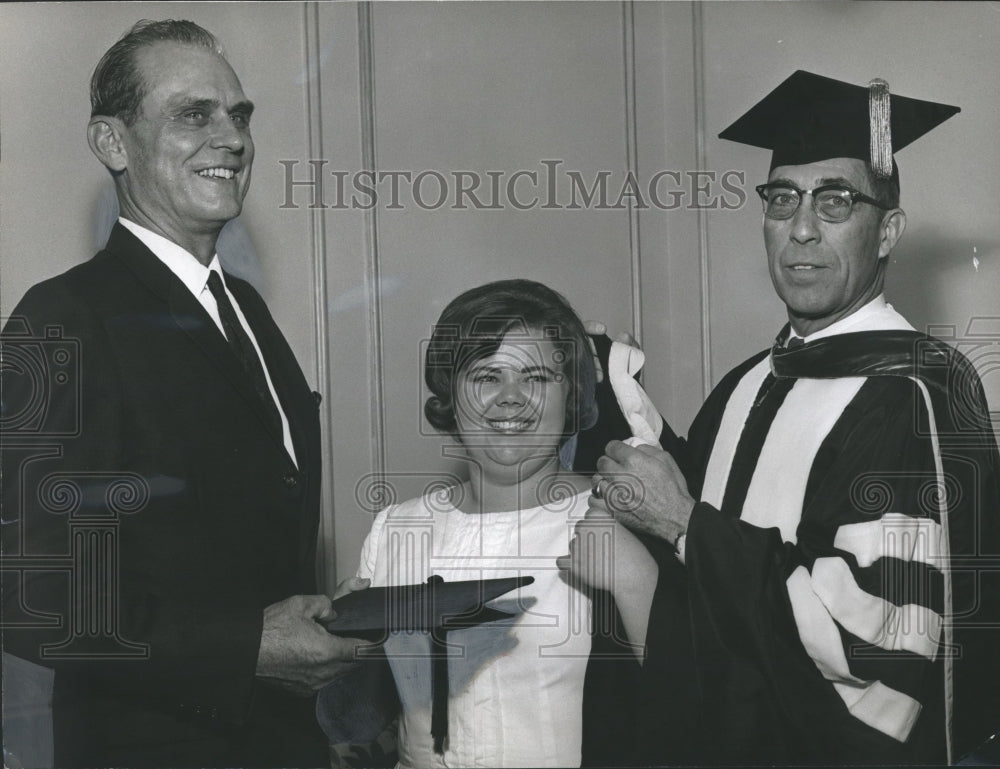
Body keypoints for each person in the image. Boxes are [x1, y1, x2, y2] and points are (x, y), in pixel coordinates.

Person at [567, 71, 1000, 765]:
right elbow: (704, 517)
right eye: (782, 199)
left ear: (887, 231)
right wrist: (606, 399)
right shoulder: (752, 380)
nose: (801, 229)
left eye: (835, 202)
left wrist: (682, 522)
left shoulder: (914, 394)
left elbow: (871, 640)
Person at [1, 20, 365, 768]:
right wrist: (248, 648)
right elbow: (36, 593)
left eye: (240, 115)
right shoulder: (62, 318)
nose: (231, 137)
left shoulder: (249, 314)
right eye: (193, 114)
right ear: (112, 143)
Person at [348, 279, 651, 767]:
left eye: (535, 378)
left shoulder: (616, 519)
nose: (511, 398)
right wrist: (347, 646)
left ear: (571, 393)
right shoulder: (395, 530)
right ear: (452, 392)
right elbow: (358, 719)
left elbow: (695, 704)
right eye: (487, 376)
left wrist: (638, 578)